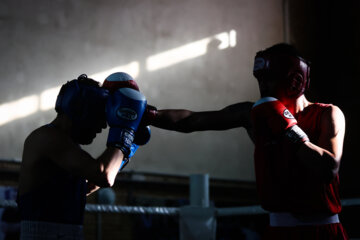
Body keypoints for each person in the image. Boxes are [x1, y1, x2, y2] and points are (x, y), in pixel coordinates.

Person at [143, 43, 348, 239]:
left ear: (296, 80)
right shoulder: (253, 114)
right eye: (260, 79)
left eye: (270, 79)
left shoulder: (327, 114)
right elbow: (192, 121)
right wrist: (147, 115)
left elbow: (328, 168)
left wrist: (288, 129)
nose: (263, 86)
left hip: (324, 230)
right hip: (279, 231)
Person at [17, 74, 148, 239]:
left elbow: (87, 185)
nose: (102, 127)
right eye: (99, 118)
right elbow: (103, 175)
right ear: (81, 111)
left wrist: (129, 145)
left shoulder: (68, 145)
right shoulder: (47, 138)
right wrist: (125, 131)